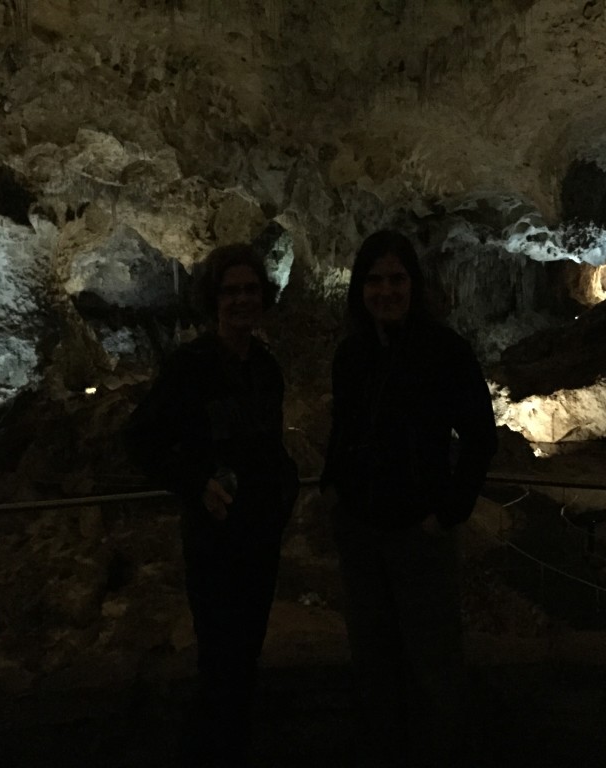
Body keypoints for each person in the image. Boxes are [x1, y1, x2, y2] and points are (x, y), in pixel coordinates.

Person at [321, 229, 498, 767]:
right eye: (374, 280)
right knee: (373, 657)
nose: (386, 291)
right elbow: (344, 428)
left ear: (413, 286)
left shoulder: (444, 351)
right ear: (360, 289)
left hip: (419, 532)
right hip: (361, 529)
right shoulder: (352, 354)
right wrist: (334, 487)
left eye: (396, 279)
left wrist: (448, 511)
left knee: (433, 661)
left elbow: (480, 436)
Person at [129, 243, 299, 767]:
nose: (242, 300)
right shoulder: (191, 367)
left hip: (259, 540)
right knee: (219, 664)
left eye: (250, 290)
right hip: (214, 541)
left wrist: (284, 494)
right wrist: (195, 483)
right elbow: (140, 439)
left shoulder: (266, 369)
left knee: (245, 659)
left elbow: (269, 446)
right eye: (231, 291)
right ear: (214, 299)